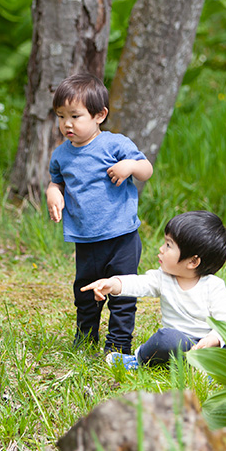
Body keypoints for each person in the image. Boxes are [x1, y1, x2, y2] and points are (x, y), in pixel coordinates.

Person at [46, 73, 154, 354]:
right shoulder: (61, 155)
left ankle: (118, 345)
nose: (66, 124)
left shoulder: (114, 145)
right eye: (60, 116)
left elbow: (147, 169)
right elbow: (56, 180)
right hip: (86, 239)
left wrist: (129, 166)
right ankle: (85, 338)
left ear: (99, 115)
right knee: (85, 292)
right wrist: (53, 191)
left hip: (122, 237)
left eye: (75, 116)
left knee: (122, 293)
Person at [81, 211, 226, 370]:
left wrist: (213, 339)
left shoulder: (214, 287)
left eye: (169, 245)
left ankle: (206, 369)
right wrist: (113, 284)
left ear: (193, 261)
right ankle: (139, 359)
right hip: (176, 345)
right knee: (166, 338)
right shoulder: (163, 278)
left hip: (207, 347)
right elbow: (139, 283)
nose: (161, 249)